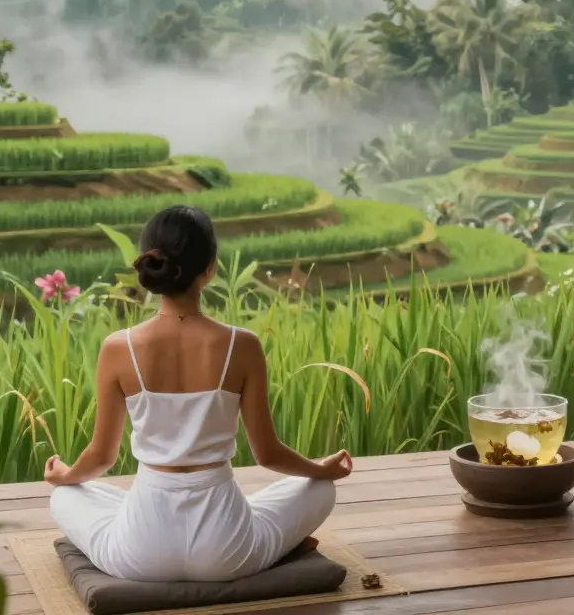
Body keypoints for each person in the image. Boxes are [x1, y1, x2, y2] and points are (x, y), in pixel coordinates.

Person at [45, 205, 354, 582]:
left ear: (148, 262)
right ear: (210, 268)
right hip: (227, 552)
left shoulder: (117, 347)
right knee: (320, 490)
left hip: (141, 554)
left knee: (66, 495)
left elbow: (101, 457)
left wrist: (66, 475)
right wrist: (320, 470)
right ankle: (271, 541)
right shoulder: (242, 345)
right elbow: (268, 453)